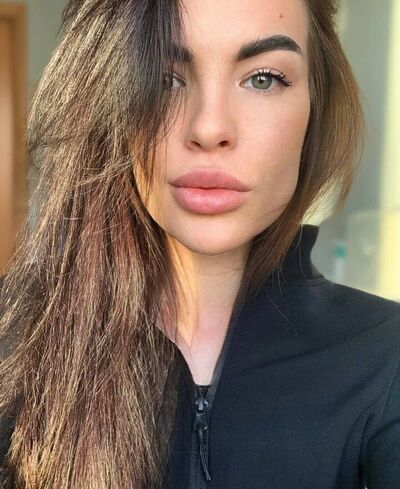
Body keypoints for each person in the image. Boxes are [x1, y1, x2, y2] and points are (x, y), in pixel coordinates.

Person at [0, 0, 398, 488]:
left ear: (315, 105)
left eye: (264, 78)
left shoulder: (387, 356)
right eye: (165, 79)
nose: (209, 129)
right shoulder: (12, 339)